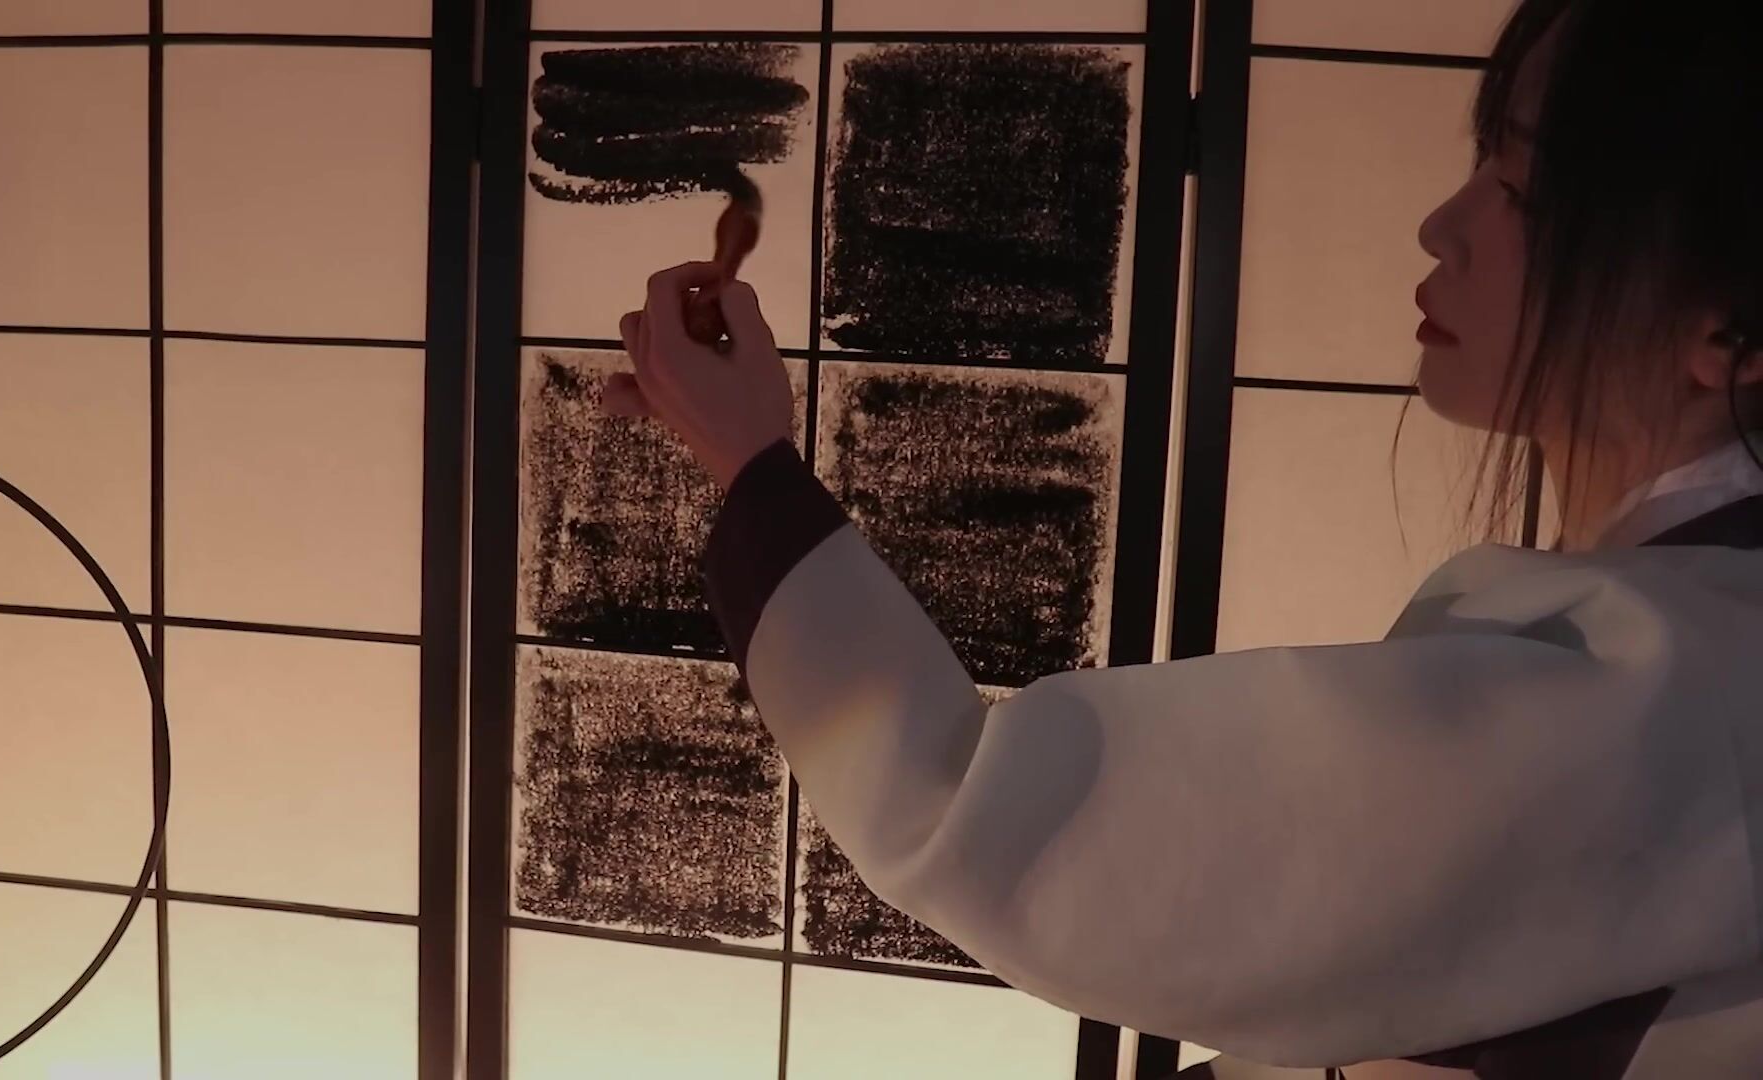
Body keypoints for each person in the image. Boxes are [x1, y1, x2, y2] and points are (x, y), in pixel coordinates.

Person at [601, 0, 1763, 1076]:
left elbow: (996, 819)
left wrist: (753, 470)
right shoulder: (1686, 646)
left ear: (1730, 331)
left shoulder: (1690, 694)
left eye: (1524, 192)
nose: (1442, 227)